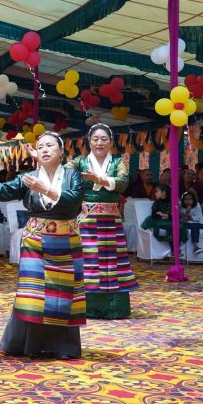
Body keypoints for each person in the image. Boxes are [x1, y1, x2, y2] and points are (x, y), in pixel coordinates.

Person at [0, 132, 86, 359]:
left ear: (61, 151)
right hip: (36, 241)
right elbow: (3, 191)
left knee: (64, 294)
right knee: (33, 293)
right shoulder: (28, 177)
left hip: (66, 241)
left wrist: (45, 189)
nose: (45, 150)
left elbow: (74, 199)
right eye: (41, 147)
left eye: (50, 145)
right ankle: (28, 344)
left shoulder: (72, 175)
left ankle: (62, 346)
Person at [65, 123, 138, 320]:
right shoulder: (79, 162)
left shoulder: (118, 162)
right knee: (88, 260)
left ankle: (114, 308)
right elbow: (64, 176)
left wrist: (99, 178)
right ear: (89, 142)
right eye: (95, 139)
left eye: (104, 139)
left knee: (112, 262)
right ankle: (85, 306)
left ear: (111, 142)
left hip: (111, 220)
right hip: (86, 220)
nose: (99, 143)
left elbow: (123, 183)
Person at [179, 191, 203, 256]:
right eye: (186, 200)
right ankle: (195, 247)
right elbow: (183, 220)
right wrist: (187, 212)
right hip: (187, 224)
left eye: (190, 199)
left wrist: (190, 217)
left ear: (193, 200)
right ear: (183, 201)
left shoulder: (196, 208)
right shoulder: (182, 208)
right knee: (195, 227)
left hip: (196, 223)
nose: (188, 201)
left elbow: (198, 218)